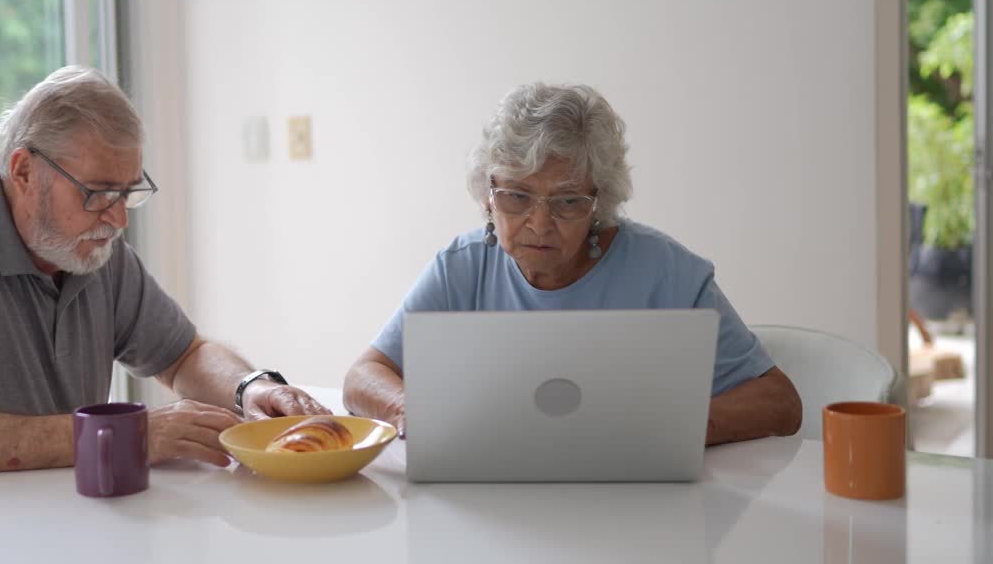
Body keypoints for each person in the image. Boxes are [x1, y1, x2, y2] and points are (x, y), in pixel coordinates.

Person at [0, 65, 327, 490]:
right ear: (23, 171)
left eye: (128, 192)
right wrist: (123, 435)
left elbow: (184, 355)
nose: (118, 218)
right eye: (98, 193)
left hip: (33, 527)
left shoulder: (92, 250)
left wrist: (249, 387)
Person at [343, 82, 802, 445]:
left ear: (599, 202)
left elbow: (779, 401)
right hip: (495, 503)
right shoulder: (461, 268)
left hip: (637, 506)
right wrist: (409, 408)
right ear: (487, 195)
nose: (539, 224)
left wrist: (678, 427)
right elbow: (363, 377)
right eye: (517, 197)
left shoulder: (666, 273)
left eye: (566, 201)